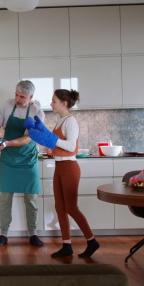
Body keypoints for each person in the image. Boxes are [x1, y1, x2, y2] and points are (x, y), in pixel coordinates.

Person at [24, 89, 100, 258]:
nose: (51, 104)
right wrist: (46, 136)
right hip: (59, 166)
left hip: (69, 168)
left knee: (71, 208)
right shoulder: (60, 121)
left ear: (64, 103)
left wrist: (51, 140)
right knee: (60, 207)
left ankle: (92, 240)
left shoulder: (70, 121)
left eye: (54, 101)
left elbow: (71, 147)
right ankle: (67, 245)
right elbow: (57, 144)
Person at [0, 80, 45, 247]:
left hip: (28, 158)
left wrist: (6, 144)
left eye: (22, 96)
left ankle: (33, 233)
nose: (17, 99)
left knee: (31, 199)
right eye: (16, 94)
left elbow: (28, 138)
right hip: (8, 158)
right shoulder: (7, 106)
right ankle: (3, 233)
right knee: (5, 198)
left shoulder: (37, 112)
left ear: (31, 97)